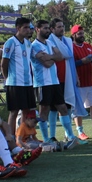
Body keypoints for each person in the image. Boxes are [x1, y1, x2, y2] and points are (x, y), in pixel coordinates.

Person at [31, 20, 79, 148]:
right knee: (44, 111)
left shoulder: (50, 42)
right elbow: (47, 63)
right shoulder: (34, 45)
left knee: (63, 108)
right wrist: (53, 57)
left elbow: (60, 56)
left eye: (48, 28)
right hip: (42, 83)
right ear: (37, 29)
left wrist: (50, 57)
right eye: (45, 28)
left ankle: (70, 136)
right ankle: (46, 139)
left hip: (54, 82)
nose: (48, 30)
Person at [48, 18, 88, 142]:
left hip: (68, 77)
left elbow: (69, 59)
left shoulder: (67, 41)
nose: (61, 29)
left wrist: (75, 75)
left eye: (62, 26)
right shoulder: (49, 41)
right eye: (58, 27)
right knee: (53, 108)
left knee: (68, 105)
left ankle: (68, 135)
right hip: (54, 78)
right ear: (52, 29)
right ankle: (52, 136)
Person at [0, 17, 35, 137]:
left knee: (26, 110)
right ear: (18, 28)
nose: (27, 30)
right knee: (14, 111)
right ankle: (11, 137)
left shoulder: (28, 43)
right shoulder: (10, 42)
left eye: (29, 27)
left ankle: (23, 136)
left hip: (27, 82)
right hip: (15, 82)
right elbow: (4, 63)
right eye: (25, 27)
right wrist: (7, 78)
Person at [71, 24, 92, 139]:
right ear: (74, 35)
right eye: (79, 33)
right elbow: (70, 64)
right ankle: (80, 132)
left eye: (83, 33)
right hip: (79, 84)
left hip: (90, 82)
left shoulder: (88, 46)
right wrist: (82, 61)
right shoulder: (71, 47)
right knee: (78, 110)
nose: (82, 35)